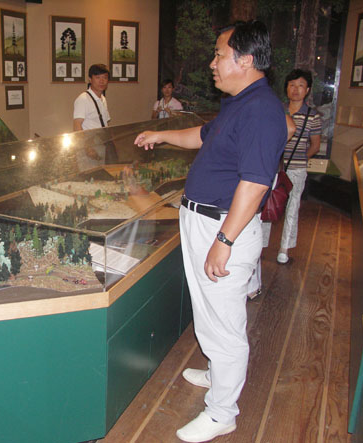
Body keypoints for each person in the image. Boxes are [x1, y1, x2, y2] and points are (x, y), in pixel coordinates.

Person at [134, 21, 287, 442]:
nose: (212, 63)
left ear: (246, 60)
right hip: (204, 221)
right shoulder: (239, 102)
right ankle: (219, 372)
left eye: (219, 55)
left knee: (225, 323)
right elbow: (203, 136)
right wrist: (161, 134)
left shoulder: (261, 111)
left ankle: (222, 412)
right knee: (208, 311)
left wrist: (224, 241)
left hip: (223, 228)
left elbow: (255, 183)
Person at [262, 69, 321, 264]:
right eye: (292, 85)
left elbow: (315, 145)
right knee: (266, 204)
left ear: (308, 90)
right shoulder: (277, 109)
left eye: (301, 85)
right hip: (273, 167)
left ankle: (284, 249)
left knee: (292, 207)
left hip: (296, 169)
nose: (296, 89)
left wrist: (300, 159)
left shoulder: (313, 116)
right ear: (286, 87)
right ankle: (260, 245)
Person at [73, 64, 110, 131]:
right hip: (90, 138)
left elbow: (105, 123)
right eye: (98, 77)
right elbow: (77, 127)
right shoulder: (83, 99)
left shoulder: (103, 99)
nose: (101, 81)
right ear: (90, 79)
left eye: (105, 77)